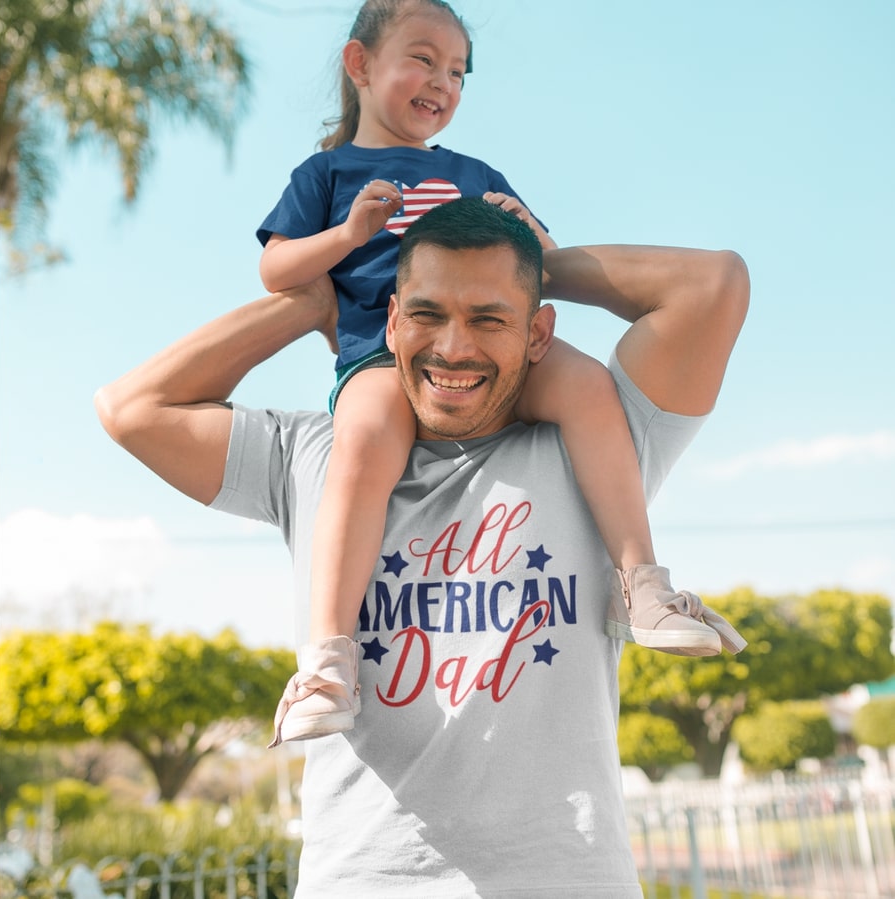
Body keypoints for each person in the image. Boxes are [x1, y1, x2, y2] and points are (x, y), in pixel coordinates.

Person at [95, 196, 750, 897]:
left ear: (538, 334)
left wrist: (538, 267)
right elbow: (132, 409)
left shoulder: (598, 444)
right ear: (393, 320)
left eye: (489, 318)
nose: (453, 347)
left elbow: (712, 286)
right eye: (428, 313)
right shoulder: (317, 455)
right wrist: (307, 305)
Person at [255, 0, 740, 741]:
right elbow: (275, 267)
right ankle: (328, 657)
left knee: (586, 385)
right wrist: (348, 234)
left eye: (457, 72)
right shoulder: (328, 172)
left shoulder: (472, 172)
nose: (442, 81)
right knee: (359, 446)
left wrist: (533, 233)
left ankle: (642, 583)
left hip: (496, 359)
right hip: (383, 358)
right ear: (360, 65)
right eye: (423, 58)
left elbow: (534, 265)